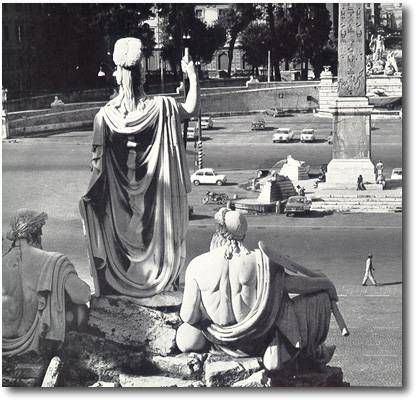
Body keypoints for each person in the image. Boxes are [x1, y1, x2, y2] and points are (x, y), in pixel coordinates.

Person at [80, 37, 199, 298]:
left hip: (119, 203)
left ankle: (123, 280)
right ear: (141, 73)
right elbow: (191, 108)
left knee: (127, 235)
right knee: (146, 234)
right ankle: (154, 281)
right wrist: (191, 74)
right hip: (153, 201)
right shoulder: (161, 107)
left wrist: (88, 199)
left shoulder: (105, 117)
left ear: (119, 75)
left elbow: (97, 171)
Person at [176, 208, 339, 371]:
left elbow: (189, 316)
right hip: (255, 339)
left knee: (186, 335)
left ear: (219, 231)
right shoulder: (262, 261)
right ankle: (285, 349)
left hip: (217, 339)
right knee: (318, 298)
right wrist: (325, 284)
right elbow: (294, 285)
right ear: (244, 233)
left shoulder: (197, 264)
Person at [2, 209, 91, 357]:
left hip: (3, 343)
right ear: (35, 233)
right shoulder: (55, 261)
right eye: (41, 230)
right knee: (80, 308)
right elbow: (83, 296)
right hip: (40, 344)